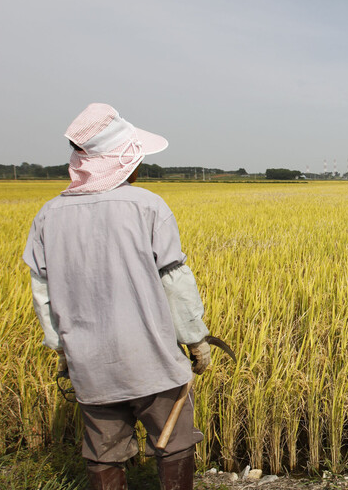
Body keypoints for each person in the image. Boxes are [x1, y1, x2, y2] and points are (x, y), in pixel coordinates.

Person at [23, 103, 212, 490]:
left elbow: (43, 294)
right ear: (124, 162)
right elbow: (174, 280)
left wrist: (62, 348)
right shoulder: (147, 206)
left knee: (103, 452)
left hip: (90, 364)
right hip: (152, 358)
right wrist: (196, 339)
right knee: (174, 444)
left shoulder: (48, 215)